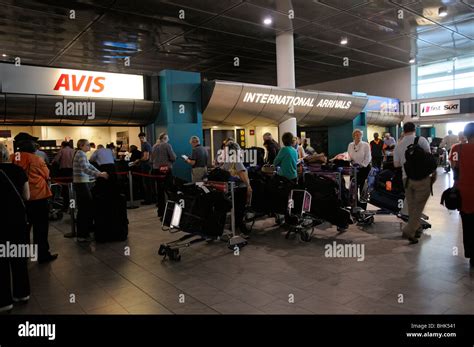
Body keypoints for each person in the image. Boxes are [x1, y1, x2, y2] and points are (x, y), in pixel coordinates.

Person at [12, 133, 58, 263]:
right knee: (40, 228)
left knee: (23, 228)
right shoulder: (36, 159)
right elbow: (47, 174)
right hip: (38, 197)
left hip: (19, 198)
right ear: (31, 146)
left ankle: (23, 255)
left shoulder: (12, 157)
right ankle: (42, 254)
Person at [0, 143, 30, 312]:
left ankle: (4, 302)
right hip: (17, 221)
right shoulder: (18, 170)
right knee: (18, 258)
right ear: (6, 154)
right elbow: (26, 195)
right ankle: (22, 294)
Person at [394, 122, 433, 244]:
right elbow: (429, 157)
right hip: (421, 178)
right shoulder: (421, 140)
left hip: (406, 178)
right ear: (414, 129)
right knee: (418, 206)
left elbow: (396, 164)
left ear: (403, 130)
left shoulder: (398, 144)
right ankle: (412, 229)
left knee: (412, 207)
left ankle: (415, 230)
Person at [72, 139, 109, 241]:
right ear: (81, 145)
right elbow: (85, 169)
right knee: (85, 208)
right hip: (81, 183)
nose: (89, 147)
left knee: (85, 207)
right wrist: (100, 174)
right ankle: (81, 235)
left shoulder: (81, 153)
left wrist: (99, 172)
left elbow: (89, 165)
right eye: (88, 145)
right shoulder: (81, 154)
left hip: (82, 182)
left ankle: (84, 232)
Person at [450, 123, 474, 267]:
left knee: (468, 224)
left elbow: (453, 167)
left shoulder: (457, 148)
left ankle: (471, 255)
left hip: (463, 192)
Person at [220, 142, 252, 236]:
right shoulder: (236, 158)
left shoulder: (228, 159)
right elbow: (242, 173)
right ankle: (241, 229)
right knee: (240, 209)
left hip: (232, 188)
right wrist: (248, 186)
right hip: (240, 187)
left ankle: (234, 226)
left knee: (236, 208)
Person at [151, 133, 176, 219]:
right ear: (165, 138)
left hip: (156, 170)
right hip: (166, 170)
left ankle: (160, 211)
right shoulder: (167, 145)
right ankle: (170, 211)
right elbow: (173, 157)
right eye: (167, 137)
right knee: (169, 189)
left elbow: (151, 159)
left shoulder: (154, 146)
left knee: (160, 190)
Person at [347, 129, 372, 209]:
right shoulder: (350, 145)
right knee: (353, 188)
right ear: (353, 136)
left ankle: (363, 208)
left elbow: (368, 157)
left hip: (364, 169)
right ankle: (354, 206)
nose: (358, 136)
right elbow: (349, 155)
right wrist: (351, 162)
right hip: (354, 169)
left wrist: (362, 165)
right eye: (356, 135)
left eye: (360, 135)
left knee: (363, 189)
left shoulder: (365, 145)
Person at [52, 141, 75, 212]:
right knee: (72, 189)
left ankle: (65, 207)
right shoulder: (74, 151)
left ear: (62, 145)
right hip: (73, 171)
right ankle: (72, 207)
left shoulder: (61, 151)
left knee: (65, 189)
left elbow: (55, 160)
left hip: (64, 171)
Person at [136, 132, 154, 205]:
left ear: (143, 137)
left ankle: (149, 200)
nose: (140, 139)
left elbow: (146, 157)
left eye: (141, 138)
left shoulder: (146, 145)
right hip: (147, 165)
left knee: (147, 183)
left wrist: (138, 160)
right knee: (147, 183)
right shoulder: (146, 145)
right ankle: (149, 199)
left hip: (146, 166)